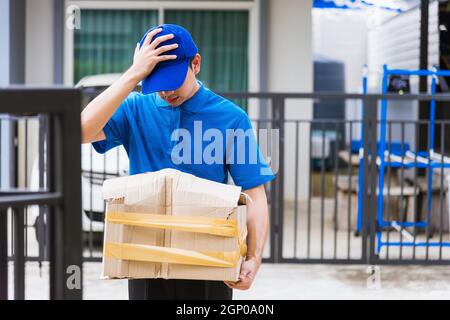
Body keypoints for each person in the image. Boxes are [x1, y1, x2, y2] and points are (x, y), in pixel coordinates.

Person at [80, 24, 275, 300]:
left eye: (172, 82)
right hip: (145, 255)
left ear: (195, 64)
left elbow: (255, 192)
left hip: (210, 257)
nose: (165, 93)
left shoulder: (231, 118)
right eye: (156, 84)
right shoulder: (135, 108)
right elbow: (80, 131)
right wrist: (133, 74)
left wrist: (254, 258)